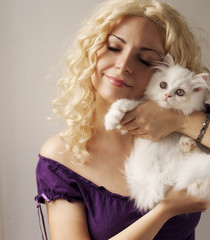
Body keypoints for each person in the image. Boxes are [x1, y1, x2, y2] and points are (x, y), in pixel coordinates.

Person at [35, 0, 210, 239]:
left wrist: (181, 123)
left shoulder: (192, 121)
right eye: (114, 47)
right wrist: (165, 210)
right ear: (91, 50)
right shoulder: (61, 155)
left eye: (145, 60)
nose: (124, 65)